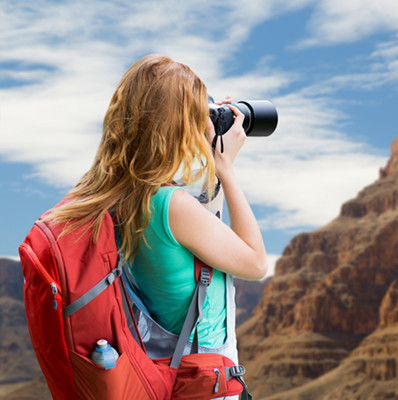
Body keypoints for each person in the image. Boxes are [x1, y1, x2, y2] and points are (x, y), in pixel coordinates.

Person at [46, 54, 267, 396]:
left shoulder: (120, 198)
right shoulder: (174, 207)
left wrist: (210, 160)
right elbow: (255, 263)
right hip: (207, 384)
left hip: (165, 374)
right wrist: (226, 168)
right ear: (176, 124)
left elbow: (205, 239)